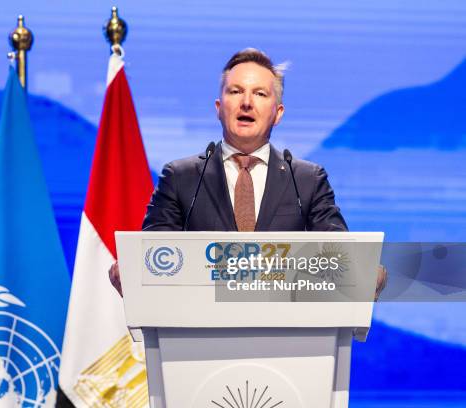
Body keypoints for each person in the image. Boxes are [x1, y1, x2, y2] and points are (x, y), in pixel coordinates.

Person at [109, 48, 386, 297]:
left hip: (289, 340)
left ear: (277, 113)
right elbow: (154, 258)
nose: (246, 102)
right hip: (199, 339)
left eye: (260, 93)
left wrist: (363, 271)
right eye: (235, 91)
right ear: (219, 108)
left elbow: (337, 257)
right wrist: (133, 269)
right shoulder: (181, 177)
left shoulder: (307, 180)